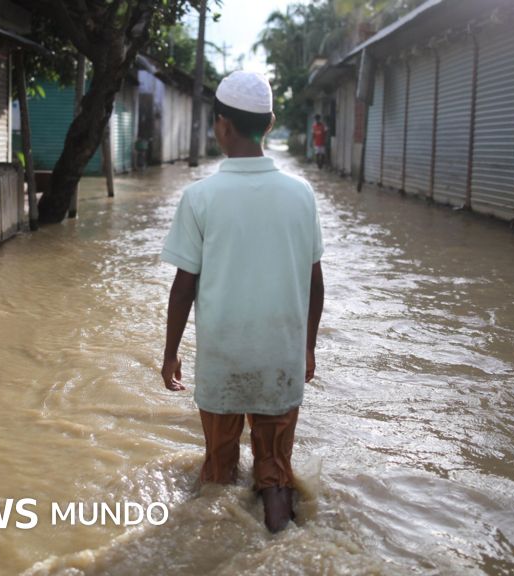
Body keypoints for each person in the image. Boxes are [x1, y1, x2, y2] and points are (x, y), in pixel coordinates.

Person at [159, 71, 325, 533]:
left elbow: (183, 286)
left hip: (222, 361)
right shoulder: (301, 195)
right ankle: (281, 544)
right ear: (270, 124)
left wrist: (171, 353)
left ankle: (214, 545)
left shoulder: (200, 197)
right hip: (279, 361)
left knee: (217, 474)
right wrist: (307, 347)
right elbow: (316, 282)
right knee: (274, 473)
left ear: (222, 127)